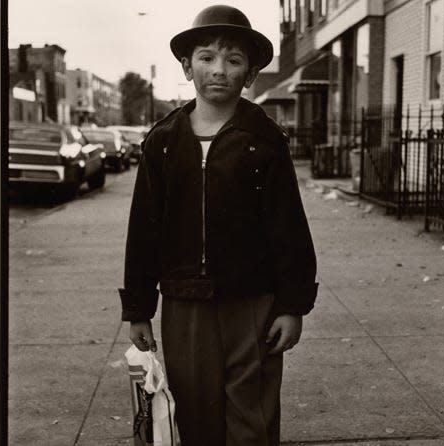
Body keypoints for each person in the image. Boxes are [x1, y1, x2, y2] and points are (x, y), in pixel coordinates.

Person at [119, 5, 318, 445]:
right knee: (195, 414)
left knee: (254, 418)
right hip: (184, 304)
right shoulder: (164, 142)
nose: (219, 70)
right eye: (206, 58)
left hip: (253, 302)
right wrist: (138, 308)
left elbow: (288, 226)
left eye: (233, 60)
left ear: (249, 74)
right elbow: (145, 230)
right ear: (187, 66)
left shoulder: (264, 140)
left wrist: (292, 304)